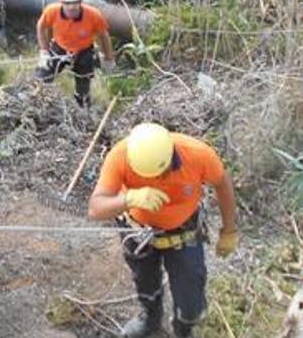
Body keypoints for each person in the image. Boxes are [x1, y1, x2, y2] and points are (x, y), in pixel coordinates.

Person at [88, 123, 239, 338]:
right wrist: (129, 198)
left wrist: (229, 231)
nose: (156, 181)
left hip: (184, 233)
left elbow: (223, 185)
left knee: (190, 301)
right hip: (139, 233)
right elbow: (95, 209)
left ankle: (183, 329)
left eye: (160, 173)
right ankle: (151, 319)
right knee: (145, 283)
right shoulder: (120, 156)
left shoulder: (198, 154)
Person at [35, 0, 115, 108]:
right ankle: (37, 103)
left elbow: (104, 36)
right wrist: (44, 51)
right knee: (41, 77)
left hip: (83, 51)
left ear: (80, 1)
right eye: (67, 3)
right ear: (61, 1)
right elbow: (41, 26)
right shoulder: (52, 11)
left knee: (83, 87)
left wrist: (109, 58)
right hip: (59, 48)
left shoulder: (93, 15)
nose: (71, 7)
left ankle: (82, 108)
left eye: (75, 2)